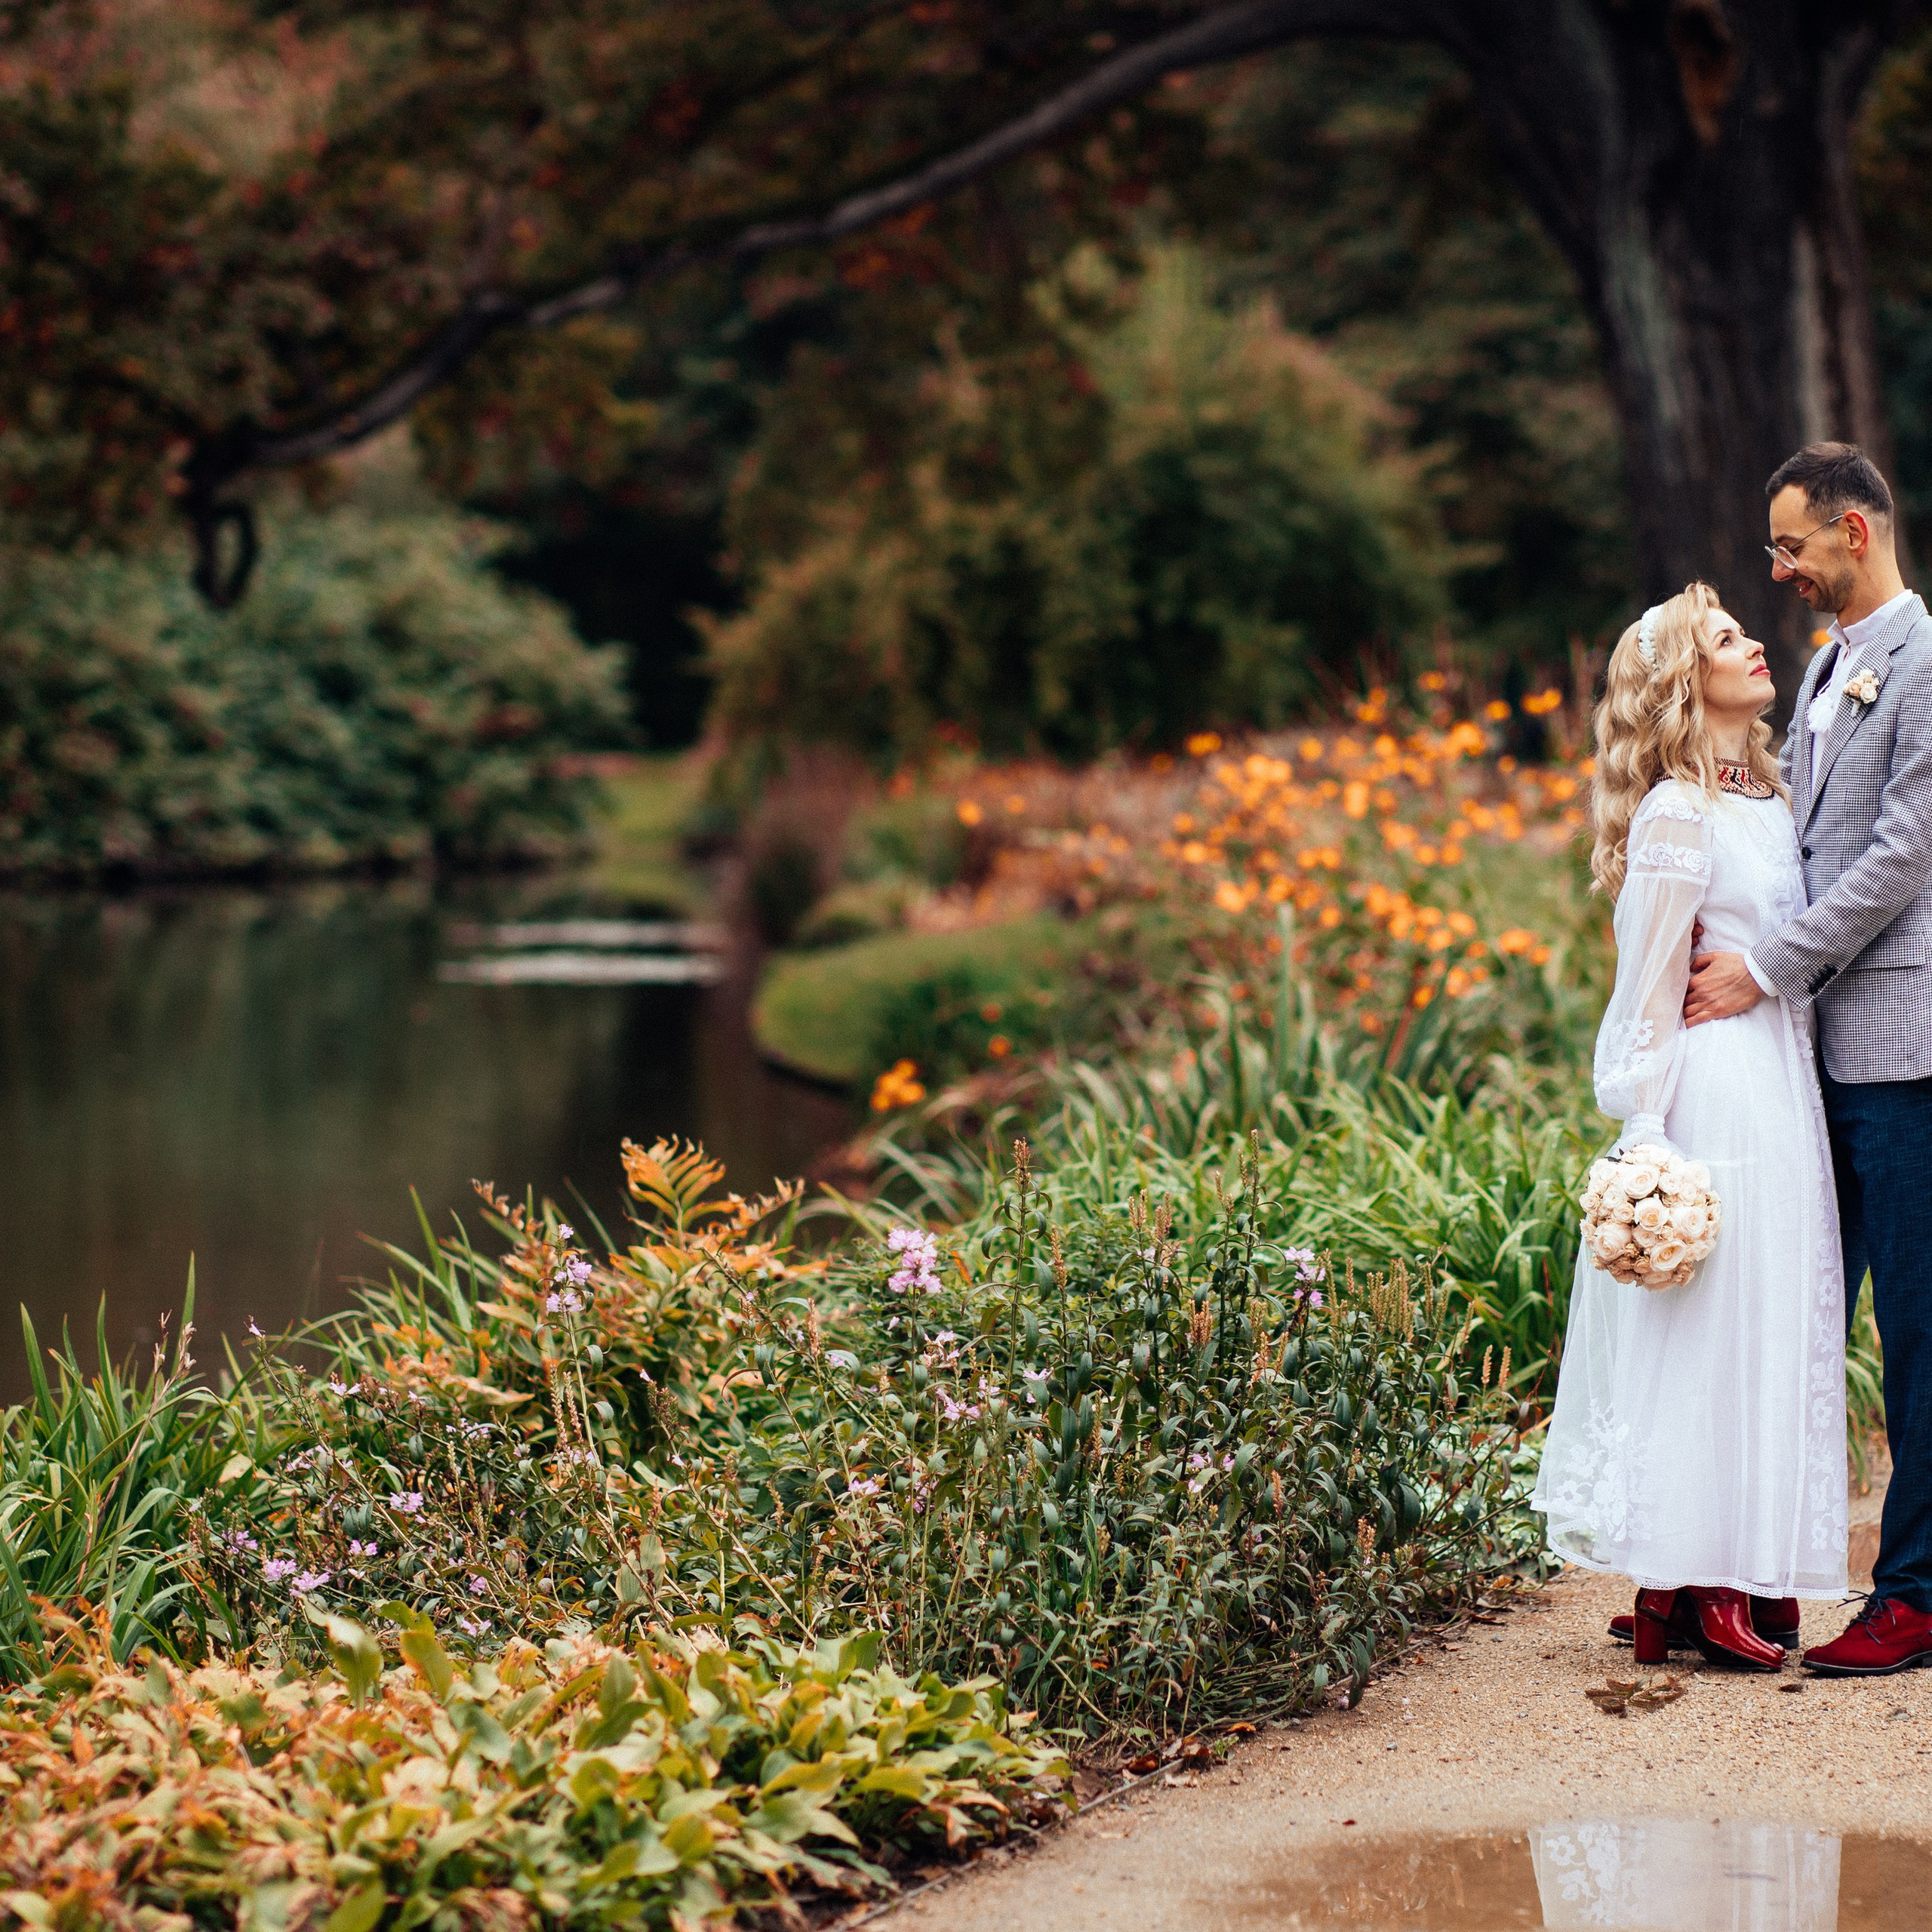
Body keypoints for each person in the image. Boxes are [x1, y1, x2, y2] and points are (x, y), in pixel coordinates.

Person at [1531, 583, 1847, 1668]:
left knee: (1765, 1322)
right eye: (1725, 637)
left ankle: (1697, 1581)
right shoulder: (1676, 811)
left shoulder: (1766, 795)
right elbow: (1650, 986)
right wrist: (1648, 1136)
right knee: (1713, 1329)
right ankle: (1700, 1576)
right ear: (1681, 682)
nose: (1754, 641)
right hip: (1713, 1090)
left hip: (1784, 1078)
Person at [1683, 441, 1932, 1677]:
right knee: (1791, 1305)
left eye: (1790, 545)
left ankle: (1918, 1591)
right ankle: (1743, 1569)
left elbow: (1902, 858)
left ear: (1851, 529)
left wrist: (1767, 964)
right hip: (1813, 1054)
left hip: (1900, 1043)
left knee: (1917, 1329)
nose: (1778, 570)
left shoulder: (1926, 661)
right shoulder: (1836, 665)